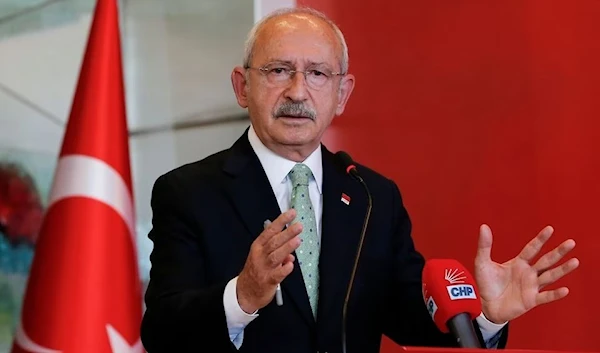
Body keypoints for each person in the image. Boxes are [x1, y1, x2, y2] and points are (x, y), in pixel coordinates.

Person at [140, 7, 579, 353]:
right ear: (242, 87)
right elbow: (162, 333)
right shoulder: (189, 192)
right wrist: (242, 297)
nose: (297, 91)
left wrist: (484, 317)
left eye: (317, 73)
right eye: (278, 71)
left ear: (342, 93)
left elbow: (411, 319)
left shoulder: (372, 196)